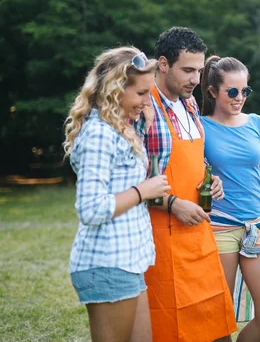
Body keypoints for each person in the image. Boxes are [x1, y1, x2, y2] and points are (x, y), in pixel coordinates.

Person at [63, 46, 171, 341]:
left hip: (128, 261)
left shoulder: (121, 128)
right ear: (115, 90)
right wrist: (142, 191)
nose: (147, 101)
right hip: (107, 262)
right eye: (141, 93)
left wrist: (143, 125)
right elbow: (91, 209)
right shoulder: (99, 134)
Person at [135, 27, 237, 341]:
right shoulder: (143, 108)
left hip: (199, 233)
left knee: (216, 326)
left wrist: (211, 178)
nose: (196, 79)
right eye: (188, 70)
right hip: (161, 237)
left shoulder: (190, 105)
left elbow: (194, 160)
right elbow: (131, 180)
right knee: (171, 328)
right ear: (162, 64)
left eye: (199, 70)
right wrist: (174, 204)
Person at [199, 56, 260, 341]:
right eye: (232, 91)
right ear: (213, 92)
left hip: (258, 226)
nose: (239, 97)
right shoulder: (201, 127)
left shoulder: (255, 123)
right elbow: (196, 176)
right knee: (219, 320)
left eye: (245, 91)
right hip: (220, 227)